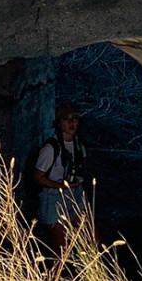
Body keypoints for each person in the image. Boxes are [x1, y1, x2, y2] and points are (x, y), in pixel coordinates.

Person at [33, 102, 96, 259]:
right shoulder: (50, 148)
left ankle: (92, 275)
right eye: (66, 119)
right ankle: (56, 280)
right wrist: (61, 185)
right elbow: (38, 177)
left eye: (74, 118)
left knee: (91, 239)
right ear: (59, 123)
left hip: (76, 193)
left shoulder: (79, 145)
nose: (71, 123)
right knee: (60, 250)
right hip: (55, 197)